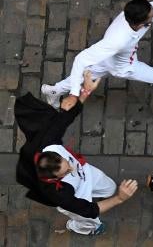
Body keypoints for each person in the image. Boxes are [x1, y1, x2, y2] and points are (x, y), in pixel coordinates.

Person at [16, 71, 138, 236]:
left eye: (67, 163)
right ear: (53, 179)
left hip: (85, 173)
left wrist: (85, 91)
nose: (70, 168)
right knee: (88, 220)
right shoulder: (58, 194)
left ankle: (103, 200)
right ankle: (79, 227)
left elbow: (65, 118)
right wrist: (120, 199)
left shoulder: (48, 142)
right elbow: (90, 209)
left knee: (109, 188)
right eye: (66, 171)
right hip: (76, 194)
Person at [41, 0, 153, 118]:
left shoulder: (146, 10)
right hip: (124, 66)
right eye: (151, 17)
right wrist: (75, 95)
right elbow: (81, 60)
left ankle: (53, 91)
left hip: (106, 58)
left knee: (88, 74)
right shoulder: (117, 40)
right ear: (139, 25)